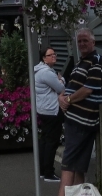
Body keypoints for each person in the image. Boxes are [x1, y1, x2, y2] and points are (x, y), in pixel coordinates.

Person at [58, 28, 102, 196]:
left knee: (68, 164)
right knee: (78, 166)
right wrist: (62, 97)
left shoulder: (96, 62)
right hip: (75, 120)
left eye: (85, 40)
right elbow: (71, 85)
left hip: (82, 121)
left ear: (93, 42)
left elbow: (87, 89)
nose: (82, 44)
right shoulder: (80, 63)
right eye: (79, 41)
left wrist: (68, 100)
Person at [34, 46, 66, 182]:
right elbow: (61, 88)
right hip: (51, 110)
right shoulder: (47, 73)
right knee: (51, 142)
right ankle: (48, 172)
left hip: (43, 109)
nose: (54, 56)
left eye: (54, 54)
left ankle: (42, 170)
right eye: (50, 55)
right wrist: (62, 80)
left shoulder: (40, 70)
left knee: (45, 140)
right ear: (44, 58)